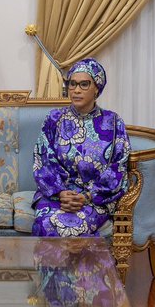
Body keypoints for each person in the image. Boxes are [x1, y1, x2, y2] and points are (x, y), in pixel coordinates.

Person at [31, 58, 131, 238]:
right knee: (45, 224)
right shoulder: (54, 119)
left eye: (84, 84)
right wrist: (61, 193)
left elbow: (118, 168)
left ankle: (83, 267)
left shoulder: (114, 123)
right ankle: (49, 267)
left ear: (97, 89)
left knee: (72, 227)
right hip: (57, 196)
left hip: (94, 200)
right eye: (72, 84)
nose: (76, 90)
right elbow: (43, 160)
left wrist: (87, 196)